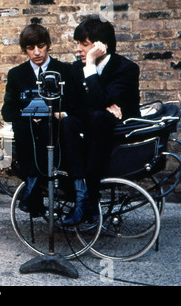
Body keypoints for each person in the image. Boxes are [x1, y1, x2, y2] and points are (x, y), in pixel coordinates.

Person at [61, 16, 141, 226]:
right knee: (69, 122)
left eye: (84, 44)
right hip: (93, 127)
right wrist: (103, 104)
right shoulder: (74, 70)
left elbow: (100, 100)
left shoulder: (126, 69)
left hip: (119, 133)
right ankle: (81, 199)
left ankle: (91, 197)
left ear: (101, 46)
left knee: (98, 117)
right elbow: (71, 106)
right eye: (78, 44)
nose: (79, 49)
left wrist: (90, 65)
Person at [1, 24, 75, 217]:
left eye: (40, 46)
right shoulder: (17, 74)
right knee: (26, 129)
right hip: (29, 137)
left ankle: (32, 188)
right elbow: (8, 111)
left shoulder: (64, 71)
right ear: (24, 49)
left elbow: (76, 106)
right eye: (30, 48)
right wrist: (28, 115)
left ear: (48, 45)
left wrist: (58, 114)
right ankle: (33, 188)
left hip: (57, 135)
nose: (36, 52)